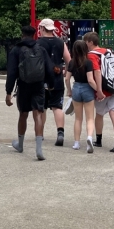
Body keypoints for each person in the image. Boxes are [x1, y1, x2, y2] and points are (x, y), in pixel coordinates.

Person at [5, 25, 54, 161]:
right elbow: (49, 68)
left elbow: (12, 72)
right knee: (38, 113)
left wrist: (8, 92)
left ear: (22, 35)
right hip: (39, 85)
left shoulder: (17, 50)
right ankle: (39, 149)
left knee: (23, 114)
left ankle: (20, 145)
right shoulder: (41, 49)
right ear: (34, 35)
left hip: (24, 85)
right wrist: (50, 84)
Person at [84, 32, 114, 153]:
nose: (85, 44)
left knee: (99, 114)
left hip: (104, 89)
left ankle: (99, 140)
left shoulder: (91, 55)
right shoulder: (108, 51)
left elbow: (97, 72)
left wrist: (99, 90)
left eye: (86, 42)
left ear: (90, 42)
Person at [35, 19, 71, 147]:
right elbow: (68, 60)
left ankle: (40, 133)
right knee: (57, 107)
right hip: (57, 78)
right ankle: (60, 133)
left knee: (41, 108)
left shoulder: (38, 43)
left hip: (42, 79)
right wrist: (66, 71)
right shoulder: (61, 43)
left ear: (43, 29)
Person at [67, 40, 101, 153]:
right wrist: (98, 90)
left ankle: (76, 143)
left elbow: (67, 78)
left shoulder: (71, 62)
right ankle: (89, 138)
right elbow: (90, 80)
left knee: (78, 118)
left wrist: (69, 91)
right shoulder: (88, 62)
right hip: (87, 89)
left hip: (76, 88)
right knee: (90, 118)